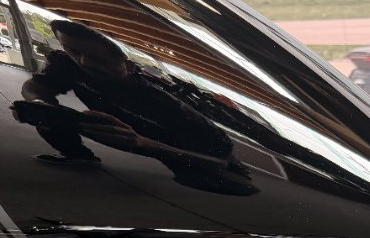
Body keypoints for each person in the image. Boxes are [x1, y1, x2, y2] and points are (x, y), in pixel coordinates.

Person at [15, 20, 255, 195]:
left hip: (179, 149)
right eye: (73, 51)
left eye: (99, 59)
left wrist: (144, 143)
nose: (84, 62)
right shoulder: (67, 64)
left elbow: (219, 160)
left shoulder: (167, 104)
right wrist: (39, 104)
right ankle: (78, 154)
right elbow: (36, 85)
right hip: (115, 131)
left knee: (215, 183)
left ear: (130, 67)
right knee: (47, 115)